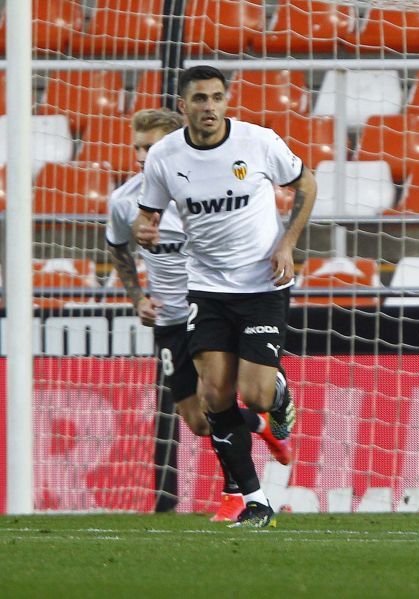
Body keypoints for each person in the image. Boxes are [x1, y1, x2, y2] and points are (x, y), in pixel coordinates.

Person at [133, 66, 317, 528]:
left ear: (226, 101)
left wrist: (287, 243)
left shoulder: (258, 142)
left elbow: (306, 183)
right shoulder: (164, 156)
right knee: (214, 394)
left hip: (262, 283)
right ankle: (254, 501)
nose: (209, 106)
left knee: (254, 395)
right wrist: (143, 229)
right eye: (200, 99)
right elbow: (146, 215)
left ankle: (278, 394)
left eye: (217, 97)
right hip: (206, 287)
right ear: (184, 106)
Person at [107, 108, 292, 523]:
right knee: (199, 421)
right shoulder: (124, 202)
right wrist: (137, 297)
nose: (141, 156)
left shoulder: (198, 195)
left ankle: (236, 495)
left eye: (150, 147)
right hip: (169, 318)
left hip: (209, 305)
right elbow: (116, 248)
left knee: (220, 397)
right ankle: (259, 426)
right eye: (137, 147)